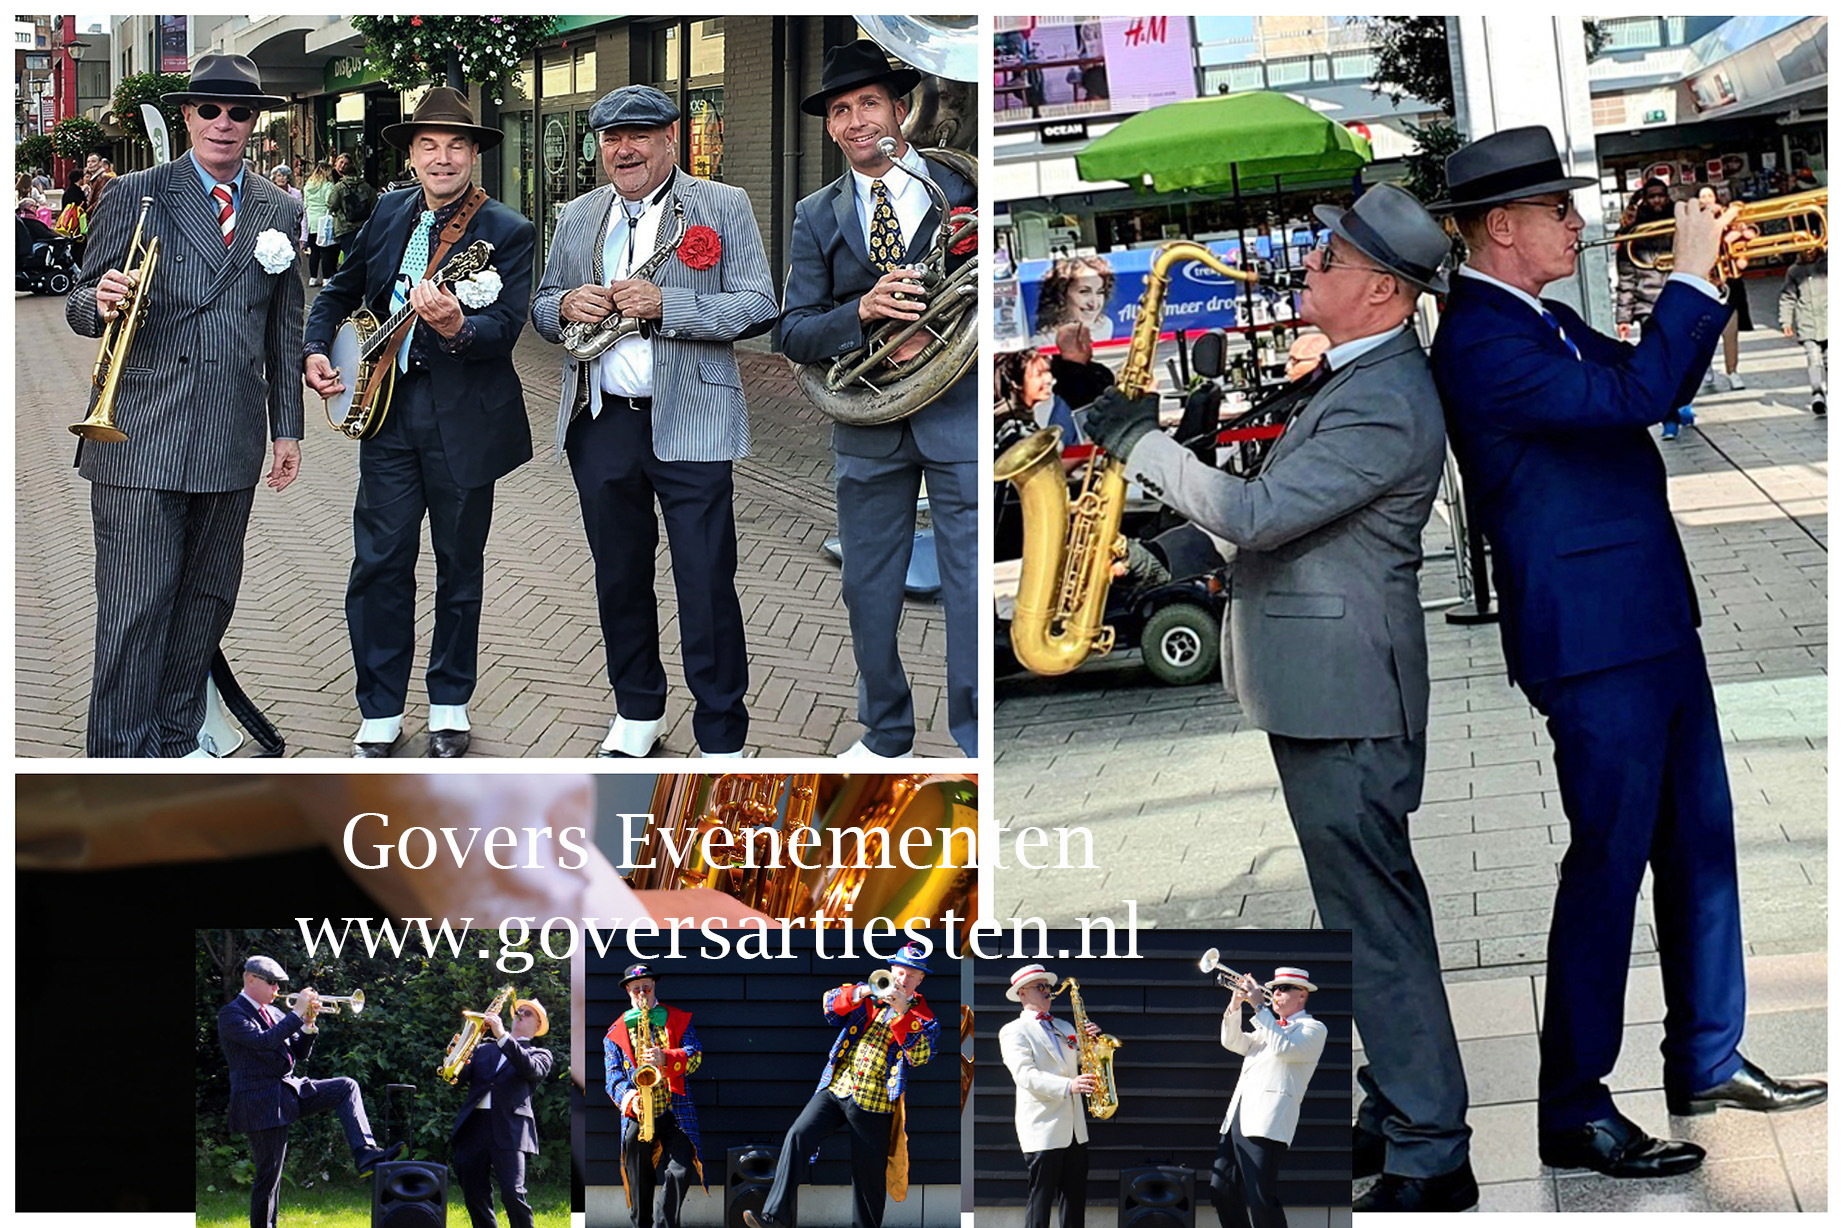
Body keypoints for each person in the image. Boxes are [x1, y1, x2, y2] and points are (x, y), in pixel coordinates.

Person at [1429, 125, 1828, 1184]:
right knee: (1607, 863)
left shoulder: (1543, 322)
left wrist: (1703, 292)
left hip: (1648, 620)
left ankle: (1705, 1056)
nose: (1576, 222)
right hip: (1592, 640)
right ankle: (1572, 1105)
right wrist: (1691, 278)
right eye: (1557, 210)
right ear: (1500, 227)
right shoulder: (1480, 339)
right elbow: (1636, 398)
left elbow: (1658, 382)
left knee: (1701, 840)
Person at [1083, 184, 1475, 1212]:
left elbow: (1258, 515)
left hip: (1347, 696)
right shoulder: (1355, 376)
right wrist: (1164, 535)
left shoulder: (1386, 394)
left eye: (1328, 263)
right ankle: (1394, 1114)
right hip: (1323, 689)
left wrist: (1141, 446)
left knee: (1375, 928)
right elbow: (1283, 525)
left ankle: (1432, 1148)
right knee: (1359, 921)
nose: (1309, 271)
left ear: (1383, 292)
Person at [65, 53, 304, 757]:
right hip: (136, 437)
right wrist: (98, 300)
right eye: (209, 110)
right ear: (187, 116)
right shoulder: (136, 194)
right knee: (136, 613)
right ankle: (115, 760)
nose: (223, 124)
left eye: (239, 112)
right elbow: (81, 302)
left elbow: (284, 331)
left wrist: (286, 430)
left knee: (203, 609)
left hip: (230, 439)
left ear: (254, 122)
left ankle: (172, 747)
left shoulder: (280, 209)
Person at [530, 84, 776, 758]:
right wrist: (563, 307)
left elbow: (758, 302)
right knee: (619, 576)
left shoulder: (721, 205)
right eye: (612, 137)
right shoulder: (579, 214)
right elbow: (542, 305)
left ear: (672, 137)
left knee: (703, 579)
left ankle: (721, 730)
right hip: (601, 422)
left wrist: (669, 306)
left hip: (692, 420)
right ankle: (637, 712)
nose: (625, 148)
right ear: (599, 146)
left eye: (639, 134)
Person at [303, 87, 536, 758]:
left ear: (474, 155)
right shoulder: (388, 211)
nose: (442, 158)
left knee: (459, 566)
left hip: (463, 419)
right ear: (410, 154)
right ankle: (378, 707)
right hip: (385, 412)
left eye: (455, 146)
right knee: (379, 561)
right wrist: (317, 349)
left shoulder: (506, 230)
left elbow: (504, 328)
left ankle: (448, 703)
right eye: (429, 146)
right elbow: (342, 290)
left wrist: (459, 326)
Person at [779, 38, 978, 758]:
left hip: (958, 417)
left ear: (901, 108)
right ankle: (885, 732)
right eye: (840, 110)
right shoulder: (814, 214)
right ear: (829, 128)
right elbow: (793, 332)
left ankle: (975, 735)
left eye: (869, 102)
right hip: (868, 428)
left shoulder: (961, 190)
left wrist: (946, 321)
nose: (857, 120)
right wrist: (863, 312)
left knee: (967, 589)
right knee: (867, 590)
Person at [744, 943, 938, 1228]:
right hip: (837, 1089)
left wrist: (902, 1012)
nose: (902, 979)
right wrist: (865, 991)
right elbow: (829, 1007)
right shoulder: (869, 994)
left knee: (868, 1180)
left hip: (876, 1103)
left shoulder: (924, 1017)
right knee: (798, 1135)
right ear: (891, 969)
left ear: (920, 979)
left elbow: (920, 1056)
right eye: (899, 972)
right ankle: (773, 1218)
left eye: (911, 975)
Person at [217, 955, 404, 1228]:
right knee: (269, 1177)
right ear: (251, 980)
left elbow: (299, 1054)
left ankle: (365, 1153)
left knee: (346, 1086)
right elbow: (264, 1042)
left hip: (288, 1090)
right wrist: (295, 1015)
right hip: (259, 1100)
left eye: (280, 984)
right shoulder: (232, 1014)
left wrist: (307, 1024)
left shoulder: (276, 1013)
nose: (277, 990)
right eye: (272, 983)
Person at [1212, 968, 1327, 1228]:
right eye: (1275, 988)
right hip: (1237, 1118)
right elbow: (1233, 1042)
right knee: (1221, 1189)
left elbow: (1284, 1049)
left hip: (1267, 1120)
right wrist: (1236, 1003)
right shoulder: (1268, 1028)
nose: (1276, 992)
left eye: (1285, 988)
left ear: (1303, 996)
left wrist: (1260, 1008)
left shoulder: (1313, 1028)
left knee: (1260, 1196)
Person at [998, 964, 1102, 1228]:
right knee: (1040, 1202)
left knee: (1074, 1201)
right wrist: (1069, 1086)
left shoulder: (1065, 1025)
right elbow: (1025, 1076)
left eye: (1048, 986)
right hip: (1042, 1127)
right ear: (1022, 993)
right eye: (1040, 987)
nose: (1048, 992)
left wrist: (1095, 1044)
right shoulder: (1013, 1031)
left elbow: (1082, 1060)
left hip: (1076, 1129)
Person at [604, 964, 707, 1228]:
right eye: (636, 989)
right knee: (637, 1170)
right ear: (628, 991)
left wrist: (666, 1057)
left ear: (654, 988)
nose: (642, 994)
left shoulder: (678, 1018)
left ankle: (664, 1223)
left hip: (675, 1110)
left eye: (646, 988)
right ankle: (642, 1224)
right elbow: (612, 1077)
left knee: (680, 1169)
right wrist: (631, 1099)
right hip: (639, 1111)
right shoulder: (615, 1033)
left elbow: (695, 1056)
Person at [452, 994, 554, 1228]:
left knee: (512, 1192)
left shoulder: (539, 1054)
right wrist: (458, 1053)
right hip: (474, 1126)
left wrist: (502, 1037)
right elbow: (461, 1076)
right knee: (473, 1193)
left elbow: (530, 1070)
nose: (520, 1014)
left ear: (537, 1026)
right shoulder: (485, 1049)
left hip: (510, 1129)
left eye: (528, 1013)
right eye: (518, 1011)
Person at [1614, 179, 1698, 440]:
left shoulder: (1679, 224)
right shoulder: (1634, 232)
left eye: (1661, 196)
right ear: (1644, 199)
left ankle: (1683, 404)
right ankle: (1669, 417)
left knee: (1685, 357)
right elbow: (1626, 279)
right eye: (1652, 197)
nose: (1658, 201)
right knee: (1662, 363)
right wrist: (1623, 317)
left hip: (1677, 298)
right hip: (1647, 305)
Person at [1697, 184, 1751, 391]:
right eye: (1703, 196)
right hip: (1704, 282)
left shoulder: (1727, 218)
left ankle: (1733, 371)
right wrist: (1728, 216)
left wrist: (1743, 231)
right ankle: (1706, 367)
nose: (1708, 199)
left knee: (1731, 331)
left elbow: (1749, 234)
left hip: (1727, 282)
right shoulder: (1697, 221)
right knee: (1704, 332)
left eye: (1710, 195)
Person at [1779, 248, 1826, 416]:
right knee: (1813, 358)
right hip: (1808, 324)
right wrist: (1785, 320)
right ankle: (1817, 393)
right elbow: (1788, 296)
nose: (1809, 251)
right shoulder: (1794, 271)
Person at [1033, 255, 1116, 345]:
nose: (1094, 304)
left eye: (1100, 292)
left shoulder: (1104, 327)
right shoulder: (1044, 342)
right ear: (1061, 294)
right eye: (1084, 292)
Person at [325, 152, 375, 265]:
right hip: (363, 225)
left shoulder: (339, 187)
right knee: (360, 253)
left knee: (348, 254)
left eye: (345, 164)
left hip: (344, 226)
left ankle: (348, 278)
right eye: (341, 162)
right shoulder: (365, 186)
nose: (342, 166)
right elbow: (374, 203)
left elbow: (331, 204)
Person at [303, 160, 338, 284]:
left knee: (314, 251)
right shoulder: (328, 186)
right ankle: (326, 278)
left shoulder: (308, 185)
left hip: (311, 220)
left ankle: (312, 278)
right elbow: (330, 202)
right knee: (326, 250)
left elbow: (306, 203)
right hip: (324, 220)